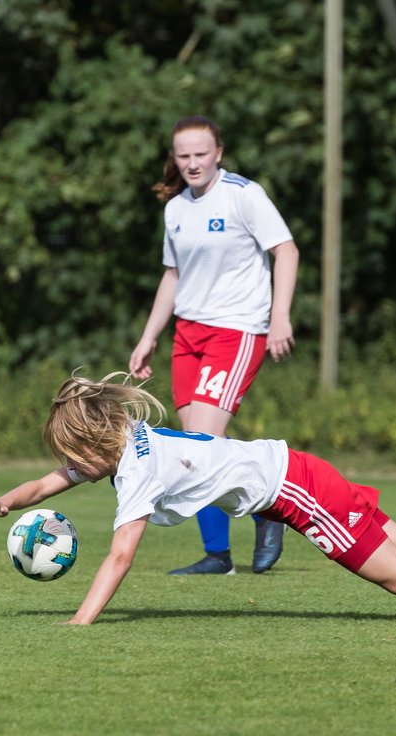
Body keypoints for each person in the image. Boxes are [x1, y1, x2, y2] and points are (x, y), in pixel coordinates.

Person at [0, 372, 396, 626]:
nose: (74, 467)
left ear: (95, 441)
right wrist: (6, 501)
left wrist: (81, 620)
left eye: (77, 454)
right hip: (297, 470)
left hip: (294, 491)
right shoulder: (128, 439)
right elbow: (49, 483)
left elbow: (121, 556)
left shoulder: (136, 472)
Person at [129, 116, 298, 577]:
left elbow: (286, 250)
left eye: (200, 154)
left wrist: (279, 316)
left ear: (218, 152)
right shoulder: (176, 209)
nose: (191, 163)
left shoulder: (245, 195)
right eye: (183, 156)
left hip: (237, 330)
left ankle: (269, 508)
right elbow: (173, 276)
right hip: (188, 336)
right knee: (195, 447)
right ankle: (217, 554)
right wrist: (148, 338)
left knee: (202, 443)